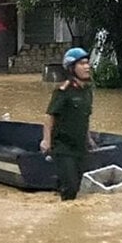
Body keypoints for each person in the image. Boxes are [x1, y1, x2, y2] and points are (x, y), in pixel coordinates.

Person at [40, 47, 96, 201]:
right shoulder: (63, 91)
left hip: (80, 147)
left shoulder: (87, 91)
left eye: (87, 63)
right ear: (72, 68)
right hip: (63, 147)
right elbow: (50, 116)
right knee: (70, 189)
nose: (87, 67)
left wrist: (89, 138)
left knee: (75, 186)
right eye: (82, 64)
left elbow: (84, 117)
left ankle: (58, 202)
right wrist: (46, 141)